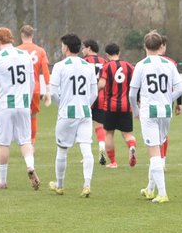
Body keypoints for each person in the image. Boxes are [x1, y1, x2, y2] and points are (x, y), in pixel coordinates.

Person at [130, 30, 182, 203]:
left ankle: (162, 193)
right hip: (166, 111)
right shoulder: (169, 64)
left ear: (144, 46)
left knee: (153, 152)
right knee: (158, 148)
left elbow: (132, 94)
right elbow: (179, 90)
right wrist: (167, 100)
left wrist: (136, 111)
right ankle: (150, 189)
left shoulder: (141, 65)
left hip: (149, 111)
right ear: (161, 46)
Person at [0, 26, 39, 190]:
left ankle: (2, 180)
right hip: (23, 104)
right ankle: (30, 165)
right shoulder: (25, 55)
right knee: (25, 140)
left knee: (3, 143)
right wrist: (27, 102)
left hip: (5, 104)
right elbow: (31, 82)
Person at [48, 34, 99, 197]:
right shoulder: (88, 66)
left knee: (62, 149)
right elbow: (94, 93)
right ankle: (87, 185)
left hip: (67, 112)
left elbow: (53, 92)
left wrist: (62, 104)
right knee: (86, 147)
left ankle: (60, 185)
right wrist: (85, 103)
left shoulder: (59, 66)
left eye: (62, 45)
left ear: (66, 47)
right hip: (85, 111)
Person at [100, 42, 137, 168]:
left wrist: (94, 92)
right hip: (126, 106)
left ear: (107, 54)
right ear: (119, 52)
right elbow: (135, 85)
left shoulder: (106, 67)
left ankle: (113, 162)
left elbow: (102, 84)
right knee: (127, 134)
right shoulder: (129, 66)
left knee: (109, 133)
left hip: (110, 106)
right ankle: (131, 147)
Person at [18, 24, 52, 144]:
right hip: (35, 88)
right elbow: (46, 71)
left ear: (22, 35)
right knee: (32, 116)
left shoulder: (16, 51)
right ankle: (31, 143)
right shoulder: (40, 51)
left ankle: (23, 142)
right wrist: (48, 90)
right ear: (32, 35)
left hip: (20, 89)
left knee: (21, 116)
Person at [82, 38, 111, 164]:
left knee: (84, 126)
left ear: (89, 48)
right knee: (99, 125)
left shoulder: (83, 62)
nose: (82, 50)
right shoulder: (105, 62)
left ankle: (86, 155)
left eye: (83, 48)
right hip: (101, 97)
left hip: (87, 97)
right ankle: (101, 146)